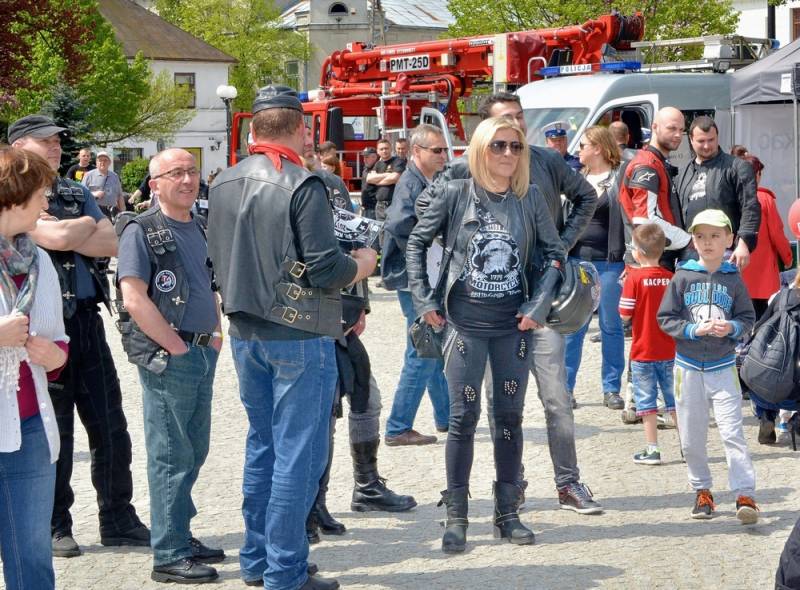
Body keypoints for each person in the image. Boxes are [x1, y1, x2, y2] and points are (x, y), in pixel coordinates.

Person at [208, 85, 376, 590]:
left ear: (254, 128)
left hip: (245, 330)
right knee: (298, 454)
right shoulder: (304, 184)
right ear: (302, 129)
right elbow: (325, 268)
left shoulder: (222, 181)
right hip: (298, 331)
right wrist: (363, 263)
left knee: (263, 446)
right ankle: (284, 570)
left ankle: (258, 560)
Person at [418, 92, 602, 516]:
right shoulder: (467, 169)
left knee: (556, 397)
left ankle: (568, 482)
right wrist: (464, 249)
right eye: (504, 124)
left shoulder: (545, 160)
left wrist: (560, 244)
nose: (513, 132)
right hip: (490, 305)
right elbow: (426, 208)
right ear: (484, 134)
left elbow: (587, 197)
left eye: (519, 120)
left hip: (543, 298)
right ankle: (511, 487)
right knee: (500, 403)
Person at [407, 116, 566, 553]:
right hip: (464, 326)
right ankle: (457, 515)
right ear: (480, 150)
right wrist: (424, 300)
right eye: (499, 145)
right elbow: (415, 243)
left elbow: (556, 253)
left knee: (509, 418)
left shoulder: (530, 198)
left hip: (512, 328)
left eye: (516, 146)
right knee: (462, 419)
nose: (508, 154)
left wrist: (538, 306)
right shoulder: (455, 193)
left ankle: (507, 513)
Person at [9, 114, 149, 557]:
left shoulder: (73, 190)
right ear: (19, 145)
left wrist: (73, 230)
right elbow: (53, 235)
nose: (55, 147)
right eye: (45, 141)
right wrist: (81, 227)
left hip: (87, 320)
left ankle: (118, 517)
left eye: (58, 141)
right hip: (42, 329)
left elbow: (111, 241)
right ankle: (56, 524)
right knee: (57, 430)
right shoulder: (13, 194)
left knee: (110, 424)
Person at [117, 148, 224, 584]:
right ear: (155, 184)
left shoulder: (199, 225)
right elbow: (133, 296)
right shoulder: (141, 230)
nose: (187, 179)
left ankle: (180, 532)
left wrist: (215, 333)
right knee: (169, 455)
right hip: (169, 356)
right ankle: (169, 554)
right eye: (176, 173)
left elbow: (209, 282)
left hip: (202, 350)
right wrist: (175, 346)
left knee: (194, 450)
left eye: (192, 171)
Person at [657, 209, 758, 523]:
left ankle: (744, 494)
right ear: (693, 240)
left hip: (724, 367)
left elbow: (747, 317)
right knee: (691, 437)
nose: (707, 242)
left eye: (715, 236)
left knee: (732, 432)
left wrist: (732, 328)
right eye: (700, 236)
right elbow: (665, 317)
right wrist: (691, 330)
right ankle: (702, 491)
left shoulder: (733, 278)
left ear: (729, 239)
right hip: (687, 368)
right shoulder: (683, 276)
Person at [0, 147, 69, 590]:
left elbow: (58, 340)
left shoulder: (38, 258)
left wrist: (57, 357)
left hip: (28, 427)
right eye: (40, 193)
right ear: (13, 196)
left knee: (33, 560)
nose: (46, 202)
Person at [382, 124, 450, 445]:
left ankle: (447, 416)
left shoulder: (426, 179)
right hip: (415, 280)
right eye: (437, 150)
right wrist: (432, 234)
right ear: (416, 151)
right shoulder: (410, 182)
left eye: (444, 149)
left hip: (421, 276)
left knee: (432, 347)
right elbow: (398, 224)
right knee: (423, 349)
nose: (443, 155)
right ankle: (398, 426)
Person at [563, 126, 626, 410]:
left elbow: (630, 219)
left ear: (598, 148)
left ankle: (611, 388)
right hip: (578, 261)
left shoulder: (619, 178)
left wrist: (631, 257)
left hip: (610, 261)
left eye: (583, 145)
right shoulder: (576, 179)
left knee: (611, 326)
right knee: (573, 326)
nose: (578, 151)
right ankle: (565, 388)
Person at [618, 224, 676, 465]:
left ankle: (653, 449)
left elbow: (625, 313)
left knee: (646, 403)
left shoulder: (634, 278)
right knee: (675, 400)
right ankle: (688, 447)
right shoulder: (671, 278)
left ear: (637, 252)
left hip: (643, 350)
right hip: (670, 350)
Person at [677, 116, 760, 269]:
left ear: (717, 137)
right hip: (690, 253)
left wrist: (744, 243)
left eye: (711, 140)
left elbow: (750, 206)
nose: (707, 146)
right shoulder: (682, 174)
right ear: (691, 140)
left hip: (725, 252)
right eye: (701, 141)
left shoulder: (737, 167)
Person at [618, 107, 692, 267]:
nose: (678, 135)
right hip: (650, 262)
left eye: (681, 130)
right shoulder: (647, 165)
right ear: (654, 127)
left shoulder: (655, 162)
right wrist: (688, 240)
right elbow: (645, 220)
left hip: (654, 258)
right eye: (672, 128)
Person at [739, 155, 792, 319]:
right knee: (765, 320)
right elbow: (777, 233)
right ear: (757, 175)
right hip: (764, 275)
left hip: (740, 271)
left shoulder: (732, 197)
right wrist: (788, 258)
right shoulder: (765, 198)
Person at [367, 138, 405, 223]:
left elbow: (395, 178)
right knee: (381, 229)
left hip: (393, 204)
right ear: (378, 151)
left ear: (391, 149)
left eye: (386, 148)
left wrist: (377, 182)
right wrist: (388, 174)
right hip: (380, 205)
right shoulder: (377, 164)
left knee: (393, 229)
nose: (384, 151)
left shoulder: (398, 161)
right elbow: (369, 179)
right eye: (381, 149)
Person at [82, 151, 125, 218]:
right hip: (94, 212)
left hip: (112, 212)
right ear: (96, 162)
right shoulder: (88, 175)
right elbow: (82, 193)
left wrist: (123, 213)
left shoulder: (115, 176)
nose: (102, 162)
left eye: (105, 160)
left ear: (109, 162)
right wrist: (94, 194)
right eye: (100, 160)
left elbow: (120, 195)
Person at [360, 147, 379, 219]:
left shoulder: (379, 168)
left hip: (374, 208)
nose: (364, 160)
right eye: (364, 157)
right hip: (365, 208)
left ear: (374, 157)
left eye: (367, 157)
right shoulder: (365, 169)